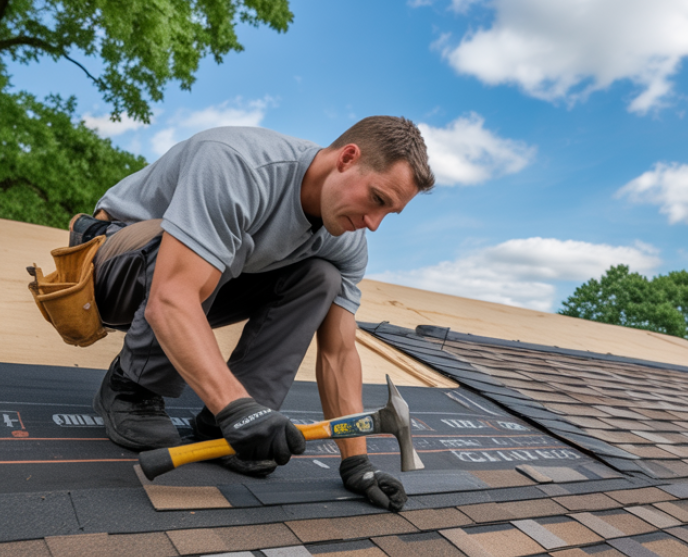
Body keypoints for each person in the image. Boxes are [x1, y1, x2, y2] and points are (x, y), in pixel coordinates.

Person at [70, 116, 434, 512]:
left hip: (202, 280)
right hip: (108, 270)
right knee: (203, 242)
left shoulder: (347, 238)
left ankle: (228, 423)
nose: (374, 224)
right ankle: (133, 387)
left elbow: (339, 353)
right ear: (347, 158)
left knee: (321, 276)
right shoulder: (239, 165)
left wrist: (356, 464)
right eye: (377, 199)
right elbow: (171, 298)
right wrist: (235, 407)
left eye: (388, 213)